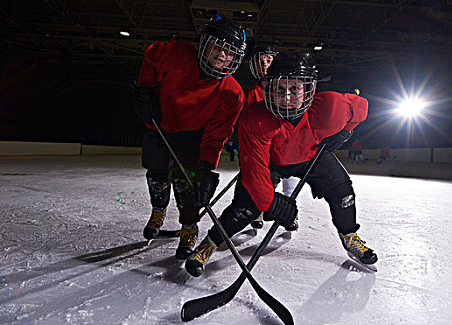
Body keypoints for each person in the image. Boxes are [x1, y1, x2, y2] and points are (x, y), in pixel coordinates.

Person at [185, 52, 378, 277]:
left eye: (294, 89)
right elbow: (254, 172)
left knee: (342, 190)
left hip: (310, 157)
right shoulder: (255, 118)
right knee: (245, 207)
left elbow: (361, 107)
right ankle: (209, 244)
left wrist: (346, 131)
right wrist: (273, 204)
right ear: (268, 89)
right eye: (279, 89)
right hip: (271, 162)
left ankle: (349, 236)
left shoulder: (330, 107)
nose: (286, 97)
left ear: (308, 90)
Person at [132, 14, 247, 260]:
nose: (222, 56)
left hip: (192, 136)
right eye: (218, 47)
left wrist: (206, 167)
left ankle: (189, 228)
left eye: (229, 53)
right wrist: (145, 88)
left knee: (187, 184)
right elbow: (151, 57)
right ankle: (158, 211)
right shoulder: (176, 54)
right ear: (205, 44)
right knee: (157, 174)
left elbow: (217, 134)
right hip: (158, 127)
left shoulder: (232, 93)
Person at [244, 45, 300, 231]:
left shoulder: (288, 87)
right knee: (264, 180)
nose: (264, 65)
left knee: (289, 179)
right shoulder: (254, 92)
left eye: (268, 61)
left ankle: (291, 211)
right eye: (260, 62)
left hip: (287, 144)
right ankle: (259, 211)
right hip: (266, 146)